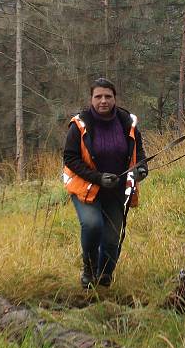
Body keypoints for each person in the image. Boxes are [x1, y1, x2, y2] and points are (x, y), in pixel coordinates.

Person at [62, 78, 148, 289]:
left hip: (117, 190)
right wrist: (98, 178)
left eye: (108, 96)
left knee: (111, 240)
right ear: (91, 99)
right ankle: (89, 271)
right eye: (98, 96)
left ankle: (104, 279)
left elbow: (139, 153)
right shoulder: (79, 124)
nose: (103, 101)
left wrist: (141, 169)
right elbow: (70, 158)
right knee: (92, 226)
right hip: (87, 188)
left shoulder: (128, 122)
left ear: (115, 98)